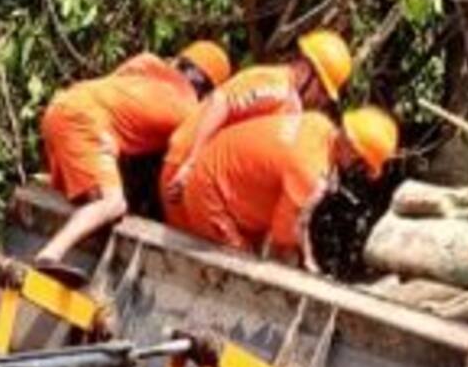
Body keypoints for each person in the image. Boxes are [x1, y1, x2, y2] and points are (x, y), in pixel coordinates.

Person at [34, 40, 232, 267]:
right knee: (113, 203)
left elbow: (116, 98)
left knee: (81, 194)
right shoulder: (186, 112)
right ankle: (50, 255)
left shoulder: (146, 62)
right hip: (85, 124)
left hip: (63, 104)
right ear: (207, 89)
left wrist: (112, 134)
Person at [170, 106, 398, 271]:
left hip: (217, 168)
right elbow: (284, 233)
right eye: (362, 165)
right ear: (354, 151)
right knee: (244, 269)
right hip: (210, 193)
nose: (357, 170)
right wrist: (308, 264)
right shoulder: (309, 172)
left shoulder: (318, 123)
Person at [161, 29, 354, 212]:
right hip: (185, 171)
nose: (319, 100)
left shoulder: (289, 103)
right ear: (306, 69)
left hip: (206, 180)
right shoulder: (274, 84)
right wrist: (190, 164)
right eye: (321, 90)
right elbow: (221, 103)